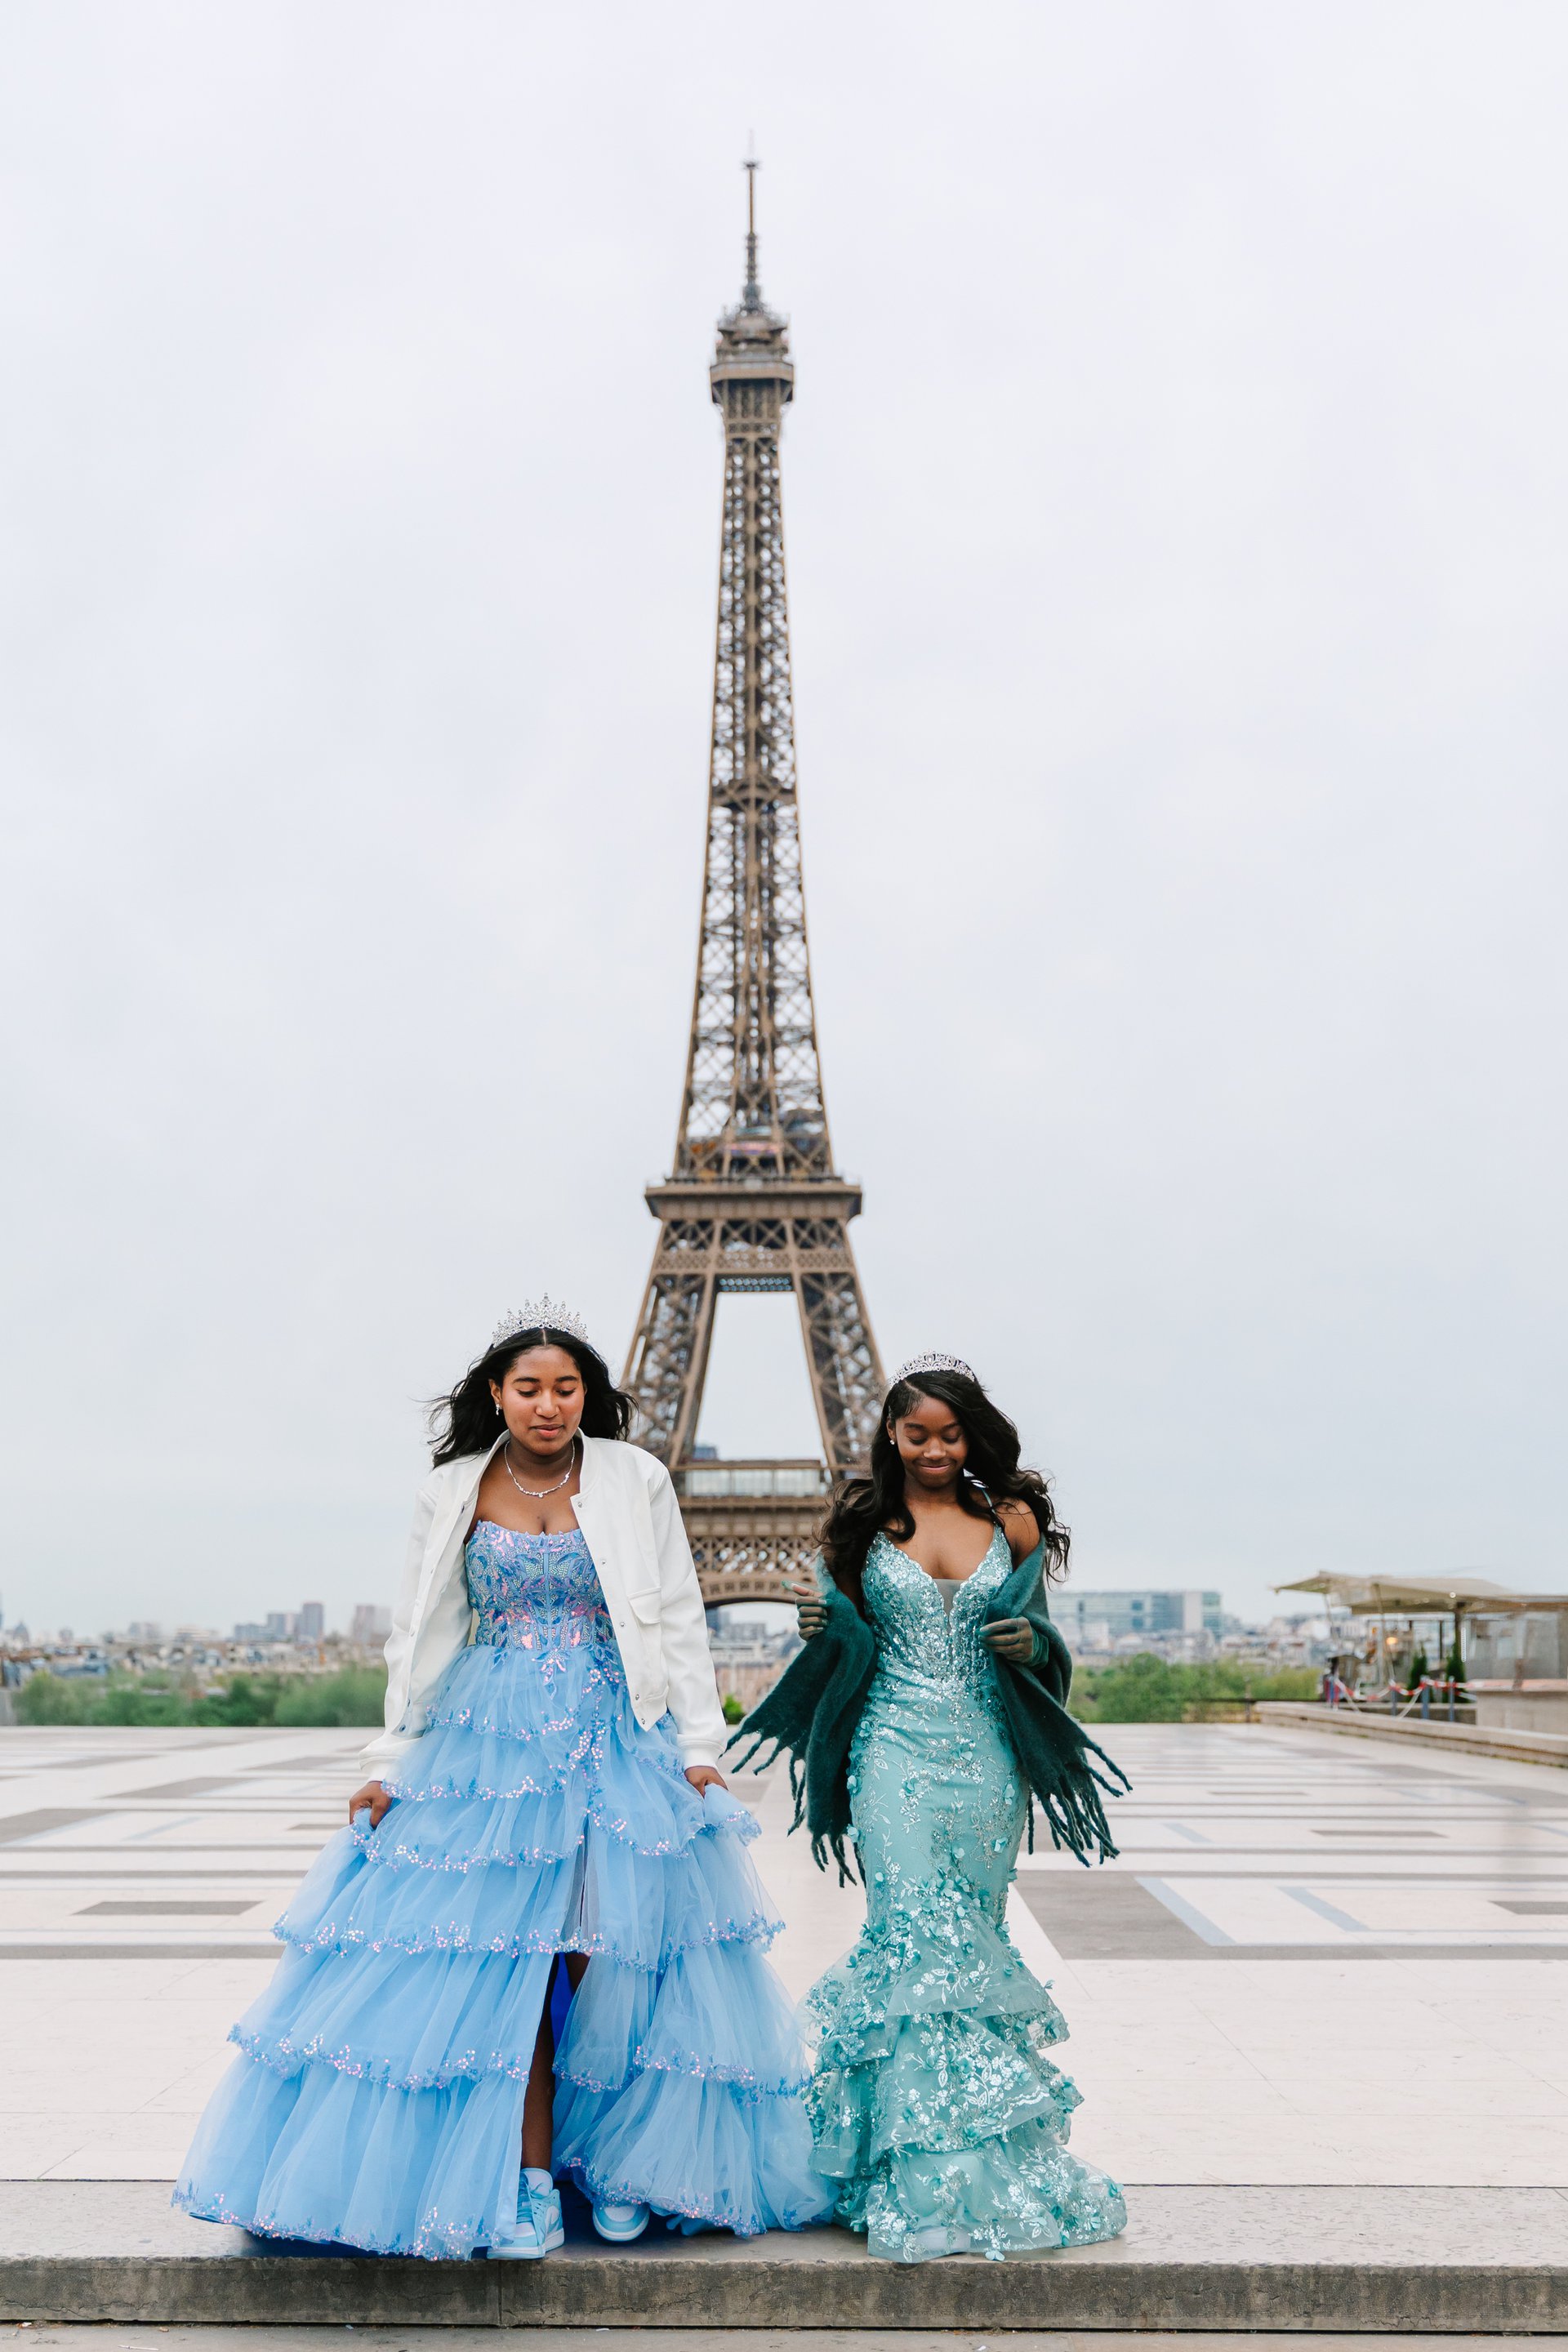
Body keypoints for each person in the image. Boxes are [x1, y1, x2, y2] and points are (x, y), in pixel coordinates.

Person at [175, 1301, 831, 2260]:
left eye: (566, 1388)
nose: (548, 1404)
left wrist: (700, 1749)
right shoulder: (451, 1489)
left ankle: (609, 2166)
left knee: (611, 1964)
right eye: (529, 1387)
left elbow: (680, 1615)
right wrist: (389, 1762)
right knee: (504, 1969)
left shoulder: (634, 1476)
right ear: (497, 1394)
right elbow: (420, 1632)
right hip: (489, 1741)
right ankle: (524, 2177)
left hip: (613, 1735)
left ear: (587, 1398)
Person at [732, 1351, 1129, 2265]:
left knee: (972, 1938)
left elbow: (1043, 1640)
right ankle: (917, 2174)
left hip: (986, 1756)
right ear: (891, 1436)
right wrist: (824, 1628)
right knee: (916, 1934)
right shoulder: (863, 1524)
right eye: (917, 1433)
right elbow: (846, 1633)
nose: (936, 1448)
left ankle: (968, 2160)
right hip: (891, 1755)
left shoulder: (1015, 1521)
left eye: (952, 1433)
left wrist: (1036, 1644)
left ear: (972, 1434)